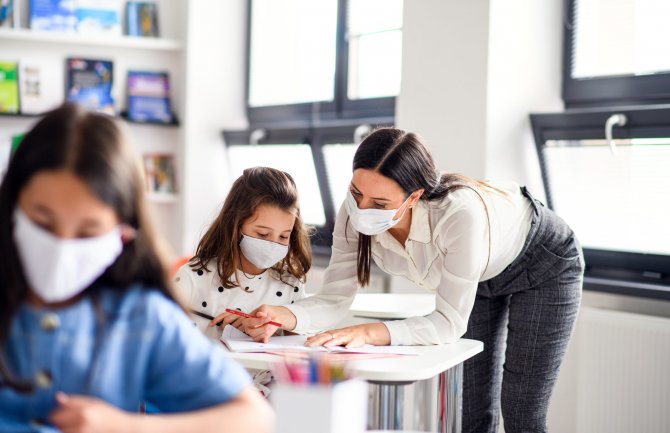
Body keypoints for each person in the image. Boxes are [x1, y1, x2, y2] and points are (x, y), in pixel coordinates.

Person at [246, 127, 584, 433]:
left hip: (544, 261)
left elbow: (448, 322)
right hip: (480, 277)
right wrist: (283, 316)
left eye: (379, 203)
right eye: (356, 192)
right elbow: (334, 297)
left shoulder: (459, 214)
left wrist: (369, 332)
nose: (361, 207)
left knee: (522, 410)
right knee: (471, 412)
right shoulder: (353, 212)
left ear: (414, 197)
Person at [0, 103, 273, 433]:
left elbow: (253, 417)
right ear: (12, 208)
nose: (62, 247)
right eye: (42, 222)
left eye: (88, 232)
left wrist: (125, 426)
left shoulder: (140, 317)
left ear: (123, 234)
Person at [174, 167, 311, 395]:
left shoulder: (290, 283)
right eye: (262, 234)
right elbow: (166, 348)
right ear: (236, 225)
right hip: (202, 395)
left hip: (267, 399)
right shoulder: (193, 277)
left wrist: (267, 329)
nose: (273, 244)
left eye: (283, 236)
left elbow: (295, 353)